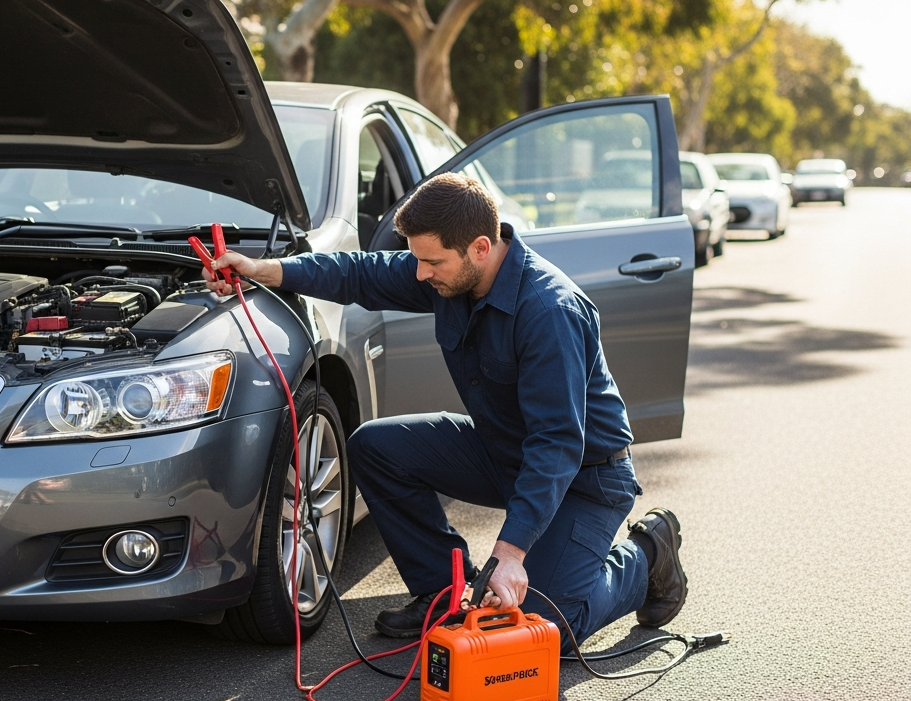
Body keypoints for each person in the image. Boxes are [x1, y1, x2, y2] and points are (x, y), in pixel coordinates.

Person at [204, 173, 688, 645]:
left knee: (546, 628)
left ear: (481, 247)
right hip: (504, 454)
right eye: (417, 259)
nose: (419, 273)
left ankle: (649, 554)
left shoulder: (548, 311)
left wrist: (510, 552)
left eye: (431, 262)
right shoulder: (450, 274)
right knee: (375, 447)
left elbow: (557, 443)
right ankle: (445, 594)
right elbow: (360, 273)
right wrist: (262, 270)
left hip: (585, 479)